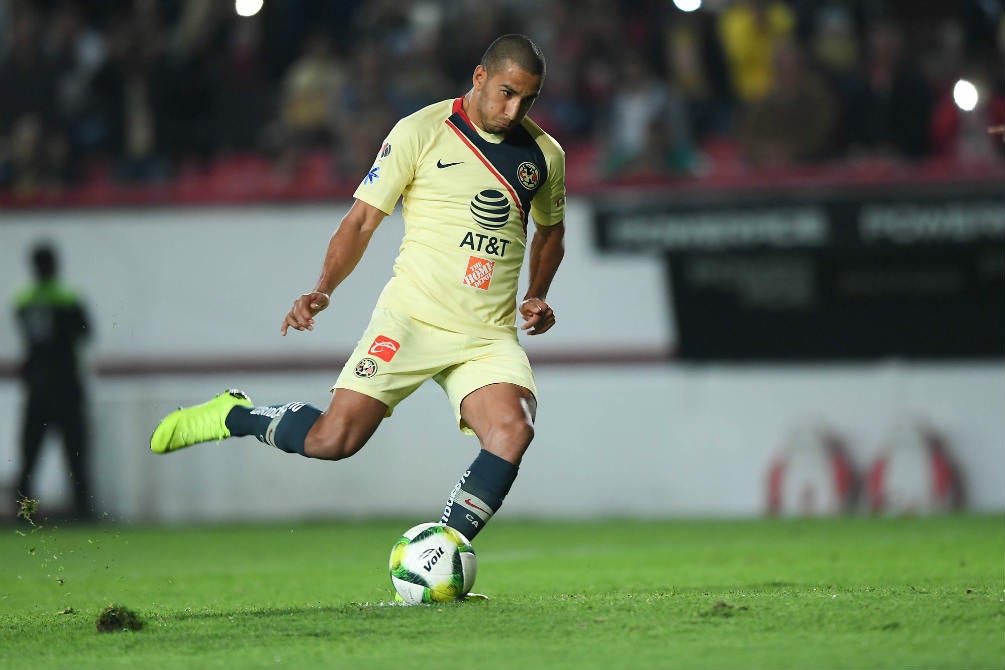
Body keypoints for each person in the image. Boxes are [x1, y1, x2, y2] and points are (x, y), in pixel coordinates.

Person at [150, 34, 566, 544]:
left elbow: (550, 232)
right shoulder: (421, 131)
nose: (514, 108)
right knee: (333, 439)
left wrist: (536, 293)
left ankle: (441, 552)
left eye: (528, 99)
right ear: (479, 77)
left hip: (487, 334)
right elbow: (362, 220)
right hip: (412, 320)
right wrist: (322, 288)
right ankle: (234, 415)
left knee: (513, 431)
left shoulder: (545, 156)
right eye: (506, 92)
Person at [14, 242, 93, 520]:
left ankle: (22, 511)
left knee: (30, 451)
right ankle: (82, 508)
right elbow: (85, 332)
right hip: (66, 383)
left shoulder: (24, 300)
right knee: (76, 451)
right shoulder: (68, 297)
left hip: (37, 384)